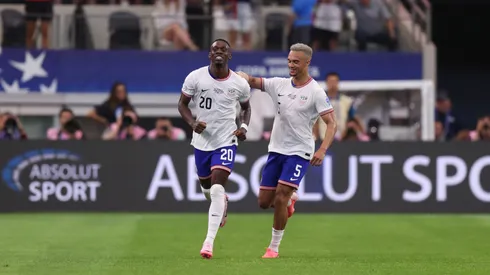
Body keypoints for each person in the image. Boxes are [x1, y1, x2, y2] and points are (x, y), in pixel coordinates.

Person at [237, 43, 337, 258]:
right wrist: (241, 76)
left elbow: (331, 123)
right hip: (276, 149)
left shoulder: (316, 92)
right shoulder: (279, 84)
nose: (291, 65)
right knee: (265, 202)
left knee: (281, 196)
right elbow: (254, 81)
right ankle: (291, 200)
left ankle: (273, 247)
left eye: (296, 62)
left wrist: (322, 150)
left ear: (307, 63)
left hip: (300, 151)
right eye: (289, 61)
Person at [177, 39, 251, 259]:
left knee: (218, 188)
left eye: (223, 50)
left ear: (230, 56)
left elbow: (246, 108)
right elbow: (182, 104)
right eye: (215, 49)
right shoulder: (195, 77)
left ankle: (208, 242)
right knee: (207, 190)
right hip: (202, 142)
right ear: (209, 55)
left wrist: (244, 127)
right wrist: (192, 124)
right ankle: (221, 203)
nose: (219, 52)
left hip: (226, 140)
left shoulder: (239, 83)